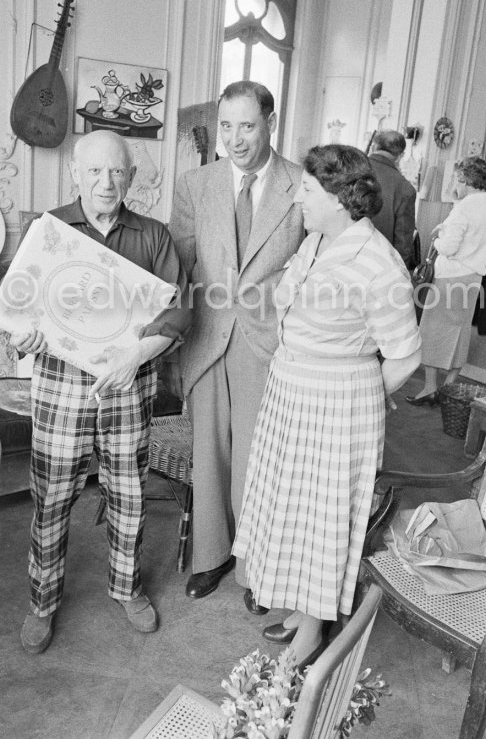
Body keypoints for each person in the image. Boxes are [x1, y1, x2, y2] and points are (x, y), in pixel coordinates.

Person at [232, 144, 421, 667]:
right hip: (291, 392)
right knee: (290, 507)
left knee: (323, 520)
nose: (299, 198)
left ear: (340, 198)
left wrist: (360, 396)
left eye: (308, 190)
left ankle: (313, 631)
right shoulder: (317, 240)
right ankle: (303, 609)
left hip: (335, 405)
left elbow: (405, 356)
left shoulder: (378, 264)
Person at [10, 130, 190, 654]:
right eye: (94, 171)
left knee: (128, 494)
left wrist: (135, 357)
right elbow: (19, 307)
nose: (106, 182)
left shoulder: (154, 236)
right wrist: (23, 335)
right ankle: (42, 602)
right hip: (61, 383)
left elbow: (179, 309)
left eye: (116, 171)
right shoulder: (48, 230)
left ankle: (128, 589)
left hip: (129, 383)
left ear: (131, 177)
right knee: (51, 498)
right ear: (75, 173)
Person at [167, 80, 305, 608]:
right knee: (210, 456)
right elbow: (177, 266)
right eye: (226, 126)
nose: (235, 139)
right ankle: (211, 557)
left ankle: (255, 569)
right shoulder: (194, 184)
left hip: (268, 343)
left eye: (247, 125)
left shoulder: (302, 185)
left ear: (271, 122)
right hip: (206, 338)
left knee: (257, 459)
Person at [406, 156, 486, 405]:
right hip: (473, 278)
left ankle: (430, 388)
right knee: (460, 330)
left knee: (433, 330)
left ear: (465, 180)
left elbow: (448, 248)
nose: (455, 184)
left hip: (450, 277)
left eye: (457, 180)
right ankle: (449, 388)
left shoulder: (463, 208)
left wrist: (437, 238)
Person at [368, 129, 416, 268]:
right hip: (378, 264)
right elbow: (403, 243)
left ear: (374, 146)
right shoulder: (405, 188)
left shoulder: (350, 170)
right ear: (400, 156)